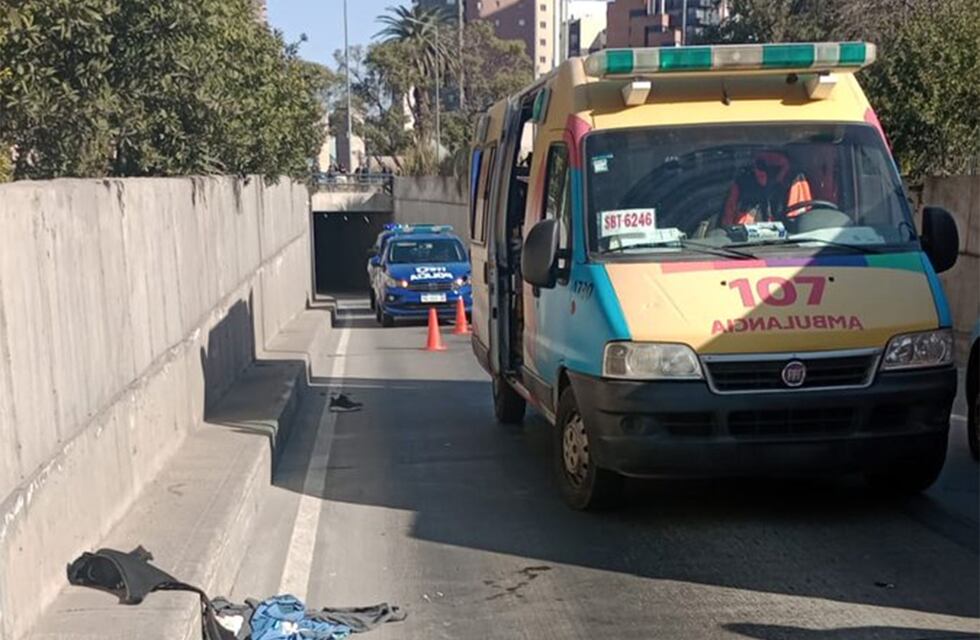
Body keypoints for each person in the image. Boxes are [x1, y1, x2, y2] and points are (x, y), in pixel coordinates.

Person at [722, 150, 813, 226]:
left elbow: (800, 223)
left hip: (786, 243)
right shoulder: (743, 182)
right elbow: (728, 222)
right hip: (745, 243)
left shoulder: (795, 180)